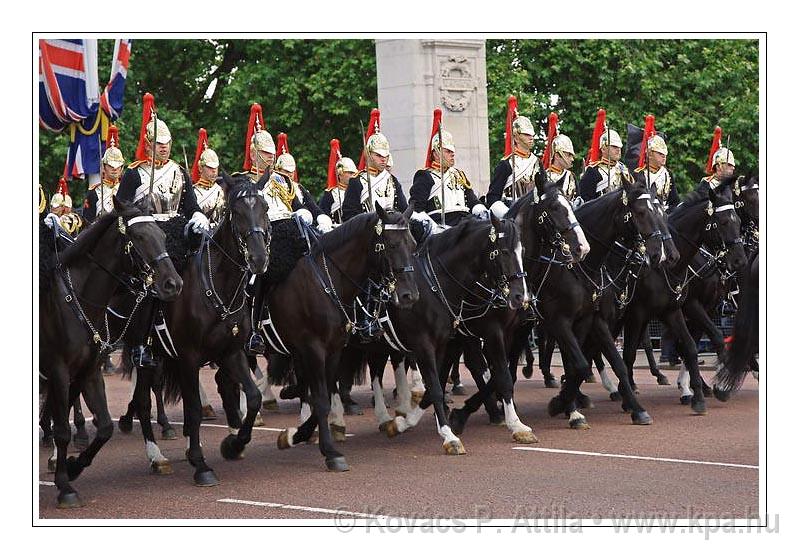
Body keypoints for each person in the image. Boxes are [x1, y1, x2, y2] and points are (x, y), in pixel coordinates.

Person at [116, 96, 208, 366]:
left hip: (177, 231)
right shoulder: (134, 174)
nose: (164, 149)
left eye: (167, 145)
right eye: (159, 145)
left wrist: (199, 217)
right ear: (148, 145)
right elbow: (122, 207)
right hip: (148, 235)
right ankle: (142, 342)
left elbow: (190, 205)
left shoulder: (179, 171)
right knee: (146, 286)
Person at [409, 109, 488, 229]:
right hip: (441, 224)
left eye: (453, 151)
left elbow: (472, 201)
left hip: (465, 222)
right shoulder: (425, 175)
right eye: (448, 151)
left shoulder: (459, 175)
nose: (453, 154)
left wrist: (481, 210)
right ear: (436, 153)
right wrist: (432, 227)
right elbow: (416, 209)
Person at [342, 110, 408, 220]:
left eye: (386, 156)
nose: (383, 160)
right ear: (368, 154)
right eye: (378, 155)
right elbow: (349, 215)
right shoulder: (357, 181)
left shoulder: (392, 180)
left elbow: (403, 209)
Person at [486, 106, 541, 218]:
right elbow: (492, 197)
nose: (531, 138)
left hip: (535, 213)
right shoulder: (506, 164)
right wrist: (508, 215)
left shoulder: (537, 162)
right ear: (516, 138)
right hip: (512, 212)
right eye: (526, 135)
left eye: (532, 135)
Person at [578, 125, 632, 203]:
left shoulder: (624, 169)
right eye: (614, 147)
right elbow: (586, 200)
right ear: (603, 149)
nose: (618, 150)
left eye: (619, 147)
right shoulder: (593, 170)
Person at [83, 125, 125, 223]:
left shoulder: (125, 189)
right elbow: (87, 221)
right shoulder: (94, 192)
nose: (114, 169)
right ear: (103, 167)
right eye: (110, 165)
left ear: (122, 168)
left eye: (118, 166)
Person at [190, 128, 225, 227]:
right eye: (210, 167)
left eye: (215, 167)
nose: (214, 171)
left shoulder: (221, 190)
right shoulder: (193, 191)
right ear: (201, 168)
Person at [319, 138, 358, 225]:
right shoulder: (330, 194)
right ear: (340, 174)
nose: (353, 176)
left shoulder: (358, 191)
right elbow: (323, 215)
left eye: (354, 173)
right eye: (350, 173)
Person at [633, 135, 679, 209]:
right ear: (650, 154)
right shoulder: (639, 174)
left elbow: (674, 201)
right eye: (660, 154)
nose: (664, 157)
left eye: (665, 154)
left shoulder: (667, 174)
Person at [546, 134, 579, 204]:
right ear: (557, 156)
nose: (572, 159)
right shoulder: (545, 176)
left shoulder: (571, 176)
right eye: (569, 155)